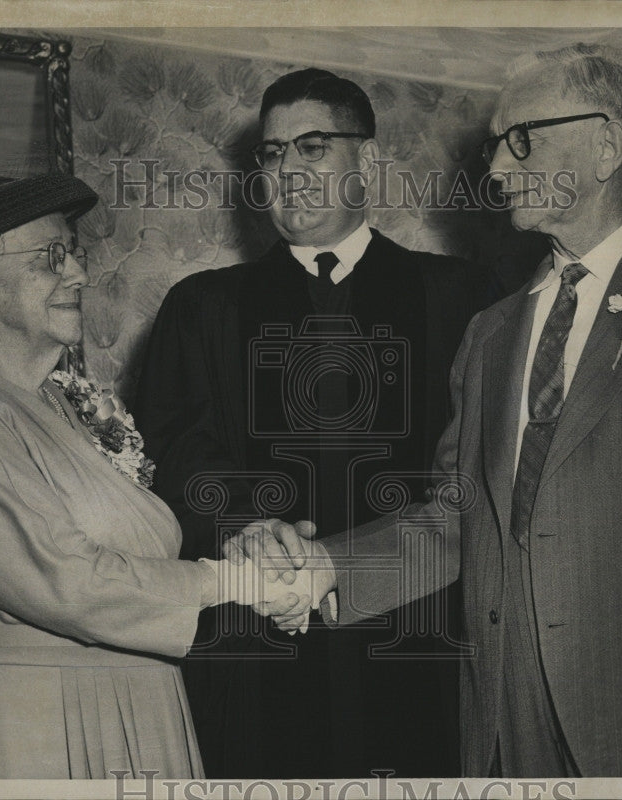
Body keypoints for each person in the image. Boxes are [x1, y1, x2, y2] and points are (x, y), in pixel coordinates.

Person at [231, 43, 622, 777]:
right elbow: (456, 516)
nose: (497, 168)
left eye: (521, 140)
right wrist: (327, 567)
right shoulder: (491, 331)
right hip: (501, 718)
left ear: (604, 145)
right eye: (498, 145)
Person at [0, 174, 310, 779]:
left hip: (137, 701)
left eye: (73, 252)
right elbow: (69, 581)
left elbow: (142, 549)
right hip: (25, 722)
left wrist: (251, 554)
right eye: (49, 258)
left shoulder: (70, 407)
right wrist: (236, 583)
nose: (77, 274)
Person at [133, 68, 500, 778]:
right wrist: (241, 523)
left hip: (417, 626)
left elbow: (479, 473)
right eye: (272, 155)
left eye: (313, 147)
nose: (289, 172)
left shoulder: (458, 296)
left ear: (366, 160)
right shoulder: (204, 306)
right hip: (259, 637)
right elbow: (176, 449)